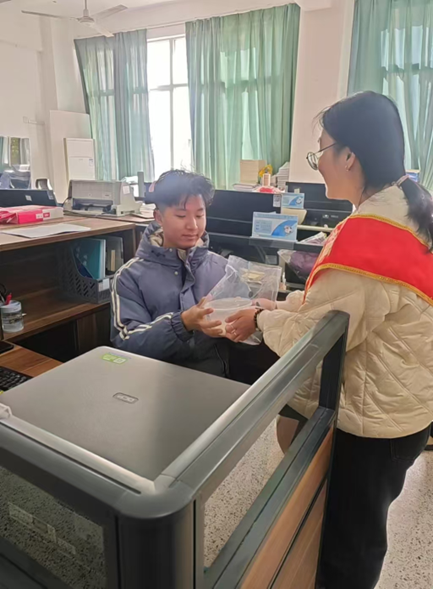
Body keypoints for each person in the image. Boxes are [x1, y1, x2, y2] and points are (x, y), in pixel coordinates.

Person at [224, 91, 433, 589]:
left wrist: (259, 317)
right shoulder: (410, 205)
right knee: (359, 529)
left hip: (372, 424)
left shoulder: (371, 235)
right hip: (406, 401)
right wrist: (283, 305)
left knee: (349, 550)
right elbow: (344, 305)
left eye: (319, 150)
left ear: (349, 155)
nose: (316, 163)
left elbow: (316, 340)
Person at [111, 170, 229, 377]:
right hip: (152, 382)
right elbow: (126, 343)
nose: (193, 225)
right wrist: (182, 323)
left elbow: (245, 341)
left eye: (199, 215)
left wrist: (253, 319)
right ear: (159, 217)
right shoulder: (130, 276)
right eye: (181, 216)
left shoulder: (222, 268)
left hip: (213, 381)